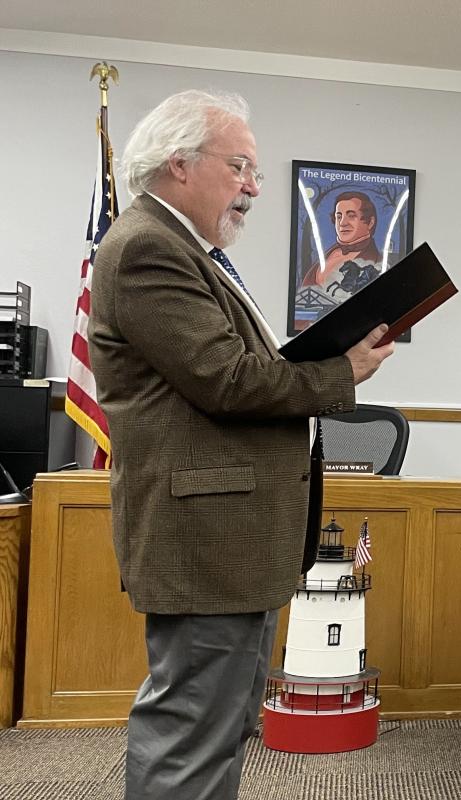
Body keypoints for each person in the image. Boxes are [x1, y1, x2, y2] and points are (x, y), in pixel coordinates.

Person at [88, 89, 395, 800]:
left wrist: (326, 362)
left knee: (221, 728)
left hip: (231, 541)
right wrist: (339, 371)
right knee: (193, 731)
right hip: (205, 540)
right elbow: (224, 380)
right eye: (242, 166)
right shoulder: (146, 248)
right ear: (180, 164)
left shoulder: (188, 250)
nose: (255, 186)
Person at [300, 191, 383, 291]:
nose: (342, 223)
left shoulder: (376, 261)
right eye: (338, 217)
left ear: (370, 222)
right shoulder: (332, 252)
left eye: (351, 216)